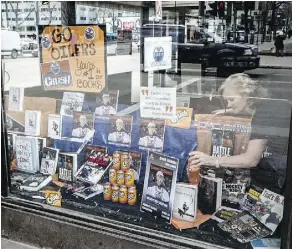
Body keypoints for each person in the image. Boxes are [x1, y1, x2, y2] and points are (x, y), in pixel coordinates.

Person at [188, 73, 290, 193]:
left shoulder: (264, 115)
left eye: (231, 99)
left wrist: (211, 160)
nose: (229, 104)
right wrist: (232, 111)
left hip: (281, 174)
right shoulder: (266, 105)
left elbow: (251, 160)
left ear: (246, 95)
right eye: (226, 101)